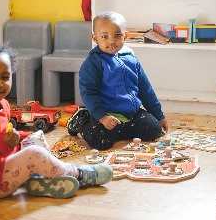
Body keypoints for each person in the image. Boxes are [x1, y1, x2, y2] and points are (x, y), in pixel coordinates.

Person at [0, 43, 114, 200]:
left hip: (2, 166)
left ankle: (42, 180)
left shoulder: (2, 104)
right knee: (32, 153)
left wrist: (23, 136)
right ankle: (79, 174)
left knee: (34, 138)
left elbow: (0, 134)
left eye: (5, 77)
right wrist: (4, 146)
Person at [68, 10, 168, 150]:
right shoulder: (93, 63)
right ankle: (81, 121)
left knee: (155, 130)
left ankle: (120, 131)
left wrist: (159, 116)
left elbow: (146, 90)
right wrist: (102, 117)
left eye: (117, 35)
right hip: (105, 114)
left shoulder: (132, 60)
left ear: (125, 36)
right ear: (95, 39)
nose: (111, 41)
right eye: (104, 36)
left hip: (131, 114)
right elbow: (88, 92)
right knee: (101, 142)